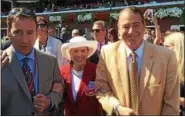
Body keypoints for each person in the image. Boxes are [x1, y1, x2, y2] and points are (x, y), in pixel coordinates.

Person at [95, 7, 179, 115]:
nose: (131, 31)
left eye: (136, 25)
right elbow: (101, 88)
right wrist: (117, 107)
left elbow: (172, 103)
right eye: (126, 26)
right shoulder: (107, 53)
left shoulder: (167, 56)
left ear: (144, 27)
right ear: (119, 29)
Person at [1, 7, 64, 116]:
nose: (24, 40)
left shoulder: (50, 61)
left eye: (29, 33)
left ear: (36, 32)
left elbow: (59, 88)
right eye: (18, 32)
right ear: (8, 32)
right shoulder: (2, 62)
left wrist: (50, 101)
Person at [59, 36, 103, 115]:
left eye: (83, 51)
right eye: (75, 51)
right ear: (70, 53)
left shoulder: (97, 71)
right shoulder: (62, 72)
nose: (79, 55)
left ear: (87, 52)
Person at [164, 32, 185, 115]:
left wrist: (179, 100)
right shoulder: (167, 65)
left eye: (167, 46)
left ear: (177, 47)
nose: (163, 49)